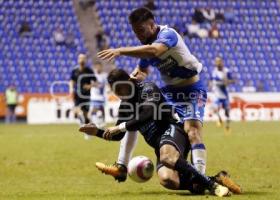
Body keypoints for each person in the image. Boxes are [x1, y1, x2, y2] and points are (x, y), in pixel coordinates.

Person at [79, 69, 241, 196]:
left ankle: (211, 186)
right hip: (160, 145)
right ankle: (212, 180)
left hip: (173, 131)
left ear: (129, 81)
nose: (120, 93)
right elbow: (119, 135)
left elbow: (148, 113)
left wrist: (120, 126)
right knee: (167, 180)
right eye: (115, 90)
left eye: (121, 87)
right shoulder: (125, 106)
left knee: (167, 157)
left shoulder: (147, 88)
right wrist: (97, 132)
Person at [98, 7, 208, 175]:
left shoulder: (167, 35)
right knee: (136, 115)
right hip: (169, 93)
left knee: (192, 130)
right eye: (135, 32)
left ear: (152, 24)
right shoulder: (146, 47)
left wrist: (120, 51)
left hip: (191, 90)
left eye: (141, 30)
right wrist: (135, 76)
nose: (139, 35)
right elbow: (143, 71)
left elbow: (155, 51)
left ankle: (200, 177)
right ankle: (121, 166)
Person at [69, 54, 96, 126]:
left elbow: (96, 82)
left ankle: (88, 127)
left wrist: (89, 86)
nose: (82, 60)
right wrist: (71, 88)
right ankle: (80, 117)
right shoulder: (74, 71)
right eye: (80, 58)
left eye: (83, 58)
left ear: (86, 60)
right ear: (78, 60)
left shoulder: (89, 71)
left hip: (86, 95)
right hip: (77, 94)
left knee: (86, 114)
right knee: (77, 109)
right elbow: (72, 81)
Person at [209, 57, 235, 131]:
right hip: (216, 95)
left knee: (227, 111)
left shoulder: (226, 71)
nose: (217, 63)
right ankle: (219, 119)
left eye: (219, 61)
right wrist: (210, 85)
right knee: (215, 108)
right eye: (216, 61)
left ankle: (227, 126)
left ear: (222, 62)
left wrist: (227, 82)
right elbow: (211, 81)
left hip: (224, 95)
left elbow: (233, 80)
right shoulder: (214, 72)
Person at [88, 62, 108, 128]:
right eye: (96, 67)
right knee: (95, 111)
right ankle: (98, 123)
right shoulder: (92, 76)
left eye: (99, 67)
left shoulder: (104, 75)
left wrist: (109, 90)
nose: (98, 68)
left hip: (101, 97)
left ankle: (101, 123)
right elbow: (89, 85)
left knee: (100, 110)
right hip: (94, 97)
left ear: (101, 67)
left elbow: (107, 84)